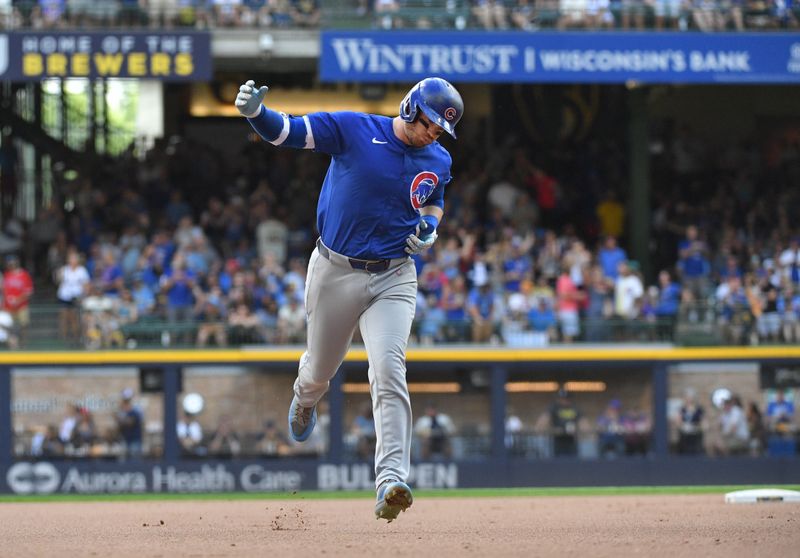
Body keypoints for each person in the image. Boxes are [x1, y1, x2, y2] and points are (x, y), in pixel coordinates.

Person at [236, 76, 463, 522]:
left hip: (395, 275)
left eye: (439, 130)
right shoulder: (354, 128)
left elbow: (434, 197)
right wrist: (255, 115)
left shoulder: (437, 157)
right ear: (409, 108)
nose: (431, 134)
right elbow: (290, 132)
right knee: (321, 370)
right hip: (335, 271)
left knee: (388, 368)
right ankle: (305, 397)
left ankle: (391, 478)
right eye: (429, 124)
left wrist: (430, 228)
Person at [114, 388, 143, 460]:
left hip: (134, 440)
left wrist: (121, 420)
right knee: (123, 461)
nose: (125, 402)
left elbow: (131, 422)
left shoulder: (136, 409)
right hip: (124, 439)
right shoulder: (122, 411)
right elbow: (118, 421)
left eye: (127, 400)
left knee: (135, 460)